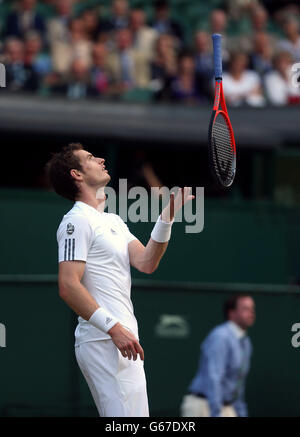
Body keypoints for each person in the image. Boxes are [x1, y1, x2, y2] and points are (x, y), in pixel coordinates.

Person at [47, 143, 194, 417]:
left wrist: (167, 215)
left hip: (125, 340)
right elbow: (68, 285)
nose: (101, 159)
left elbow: (147, 262)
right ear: (76, 174)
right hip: (104, 340)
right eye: (90, 158)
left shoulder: (113, 221)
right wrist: (112, 328)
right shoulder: (76, 221)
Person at [180, 294, 255, 417]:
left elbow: (238, 383)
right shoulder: (220, 337)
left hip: (227, 408)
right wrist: (216, 412)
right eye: (245, 309)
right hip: (203, 406)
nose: (251, 312)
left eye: (252, 308)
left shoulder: (246, 342)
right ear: (232, 313)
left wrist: (241, 412)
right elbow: (214, 377)